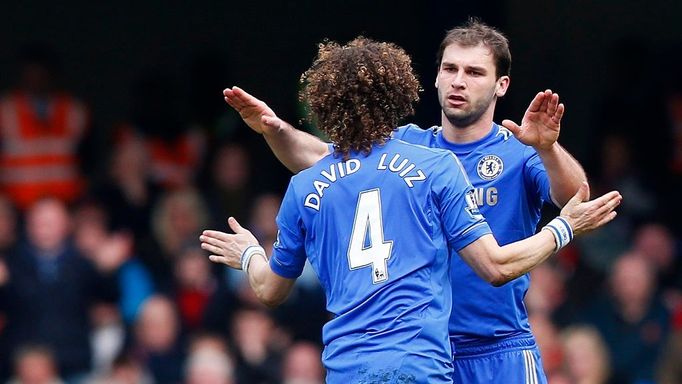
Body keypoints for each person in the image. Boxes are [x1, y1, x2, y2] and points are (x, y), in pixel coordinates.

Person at [201, 37, 620, 382]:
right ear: (433, 77)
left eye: (474, 73)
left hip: (494, 344)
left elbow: (573, 197)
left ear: (501, 85)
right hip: (428, 351)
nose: (459, 81)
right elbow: (331, 163)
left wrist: (546, 147)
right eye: (450, 69)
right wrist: (276, 130)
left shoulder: (518, 151)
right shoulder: (412, 147)